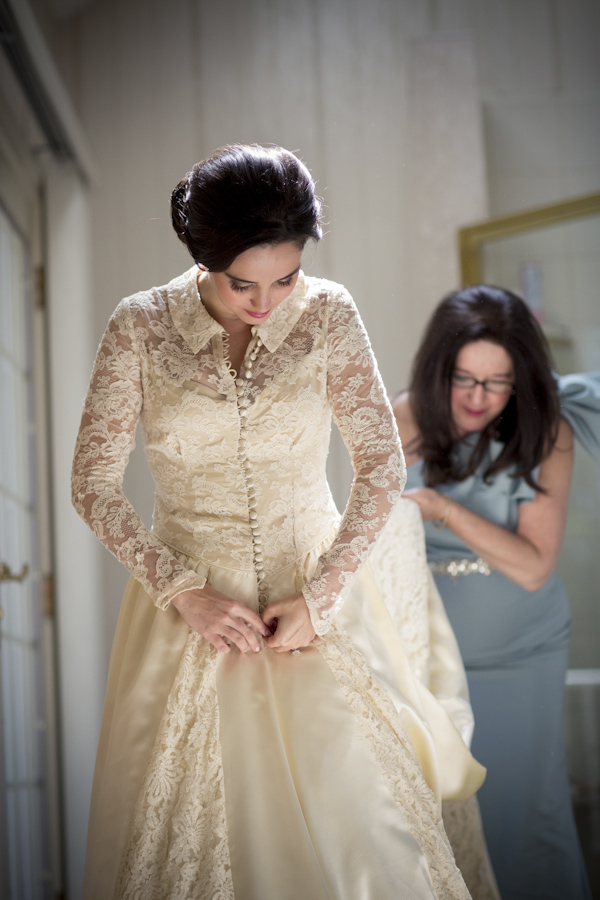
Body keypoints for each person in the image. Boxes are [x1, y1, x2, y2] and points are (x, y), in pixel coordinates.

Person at [72, 144, 486, 900]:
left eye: (285, 277)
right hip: (185, 609)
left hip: (315, 598)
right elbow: (93, 485)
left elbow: (381, 467)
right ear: (202, 256)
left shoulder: (329, 313)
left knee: (364, 830)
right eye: (241, 283)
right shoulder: (138, 326)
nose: (265, 302)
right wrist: (184, 591)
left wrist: (321, 596)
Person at [392, 284, 600, 900]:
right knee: (430, 820)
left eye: (498, 382)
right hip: (422, 653)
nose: (478, 399)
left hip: (521, 655)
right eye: (463, 379)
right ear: (437, 369)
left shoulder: (545, 432)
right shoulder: (397, 418)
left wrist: (440, 509)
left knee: (522, 814)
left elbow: (534, 566)